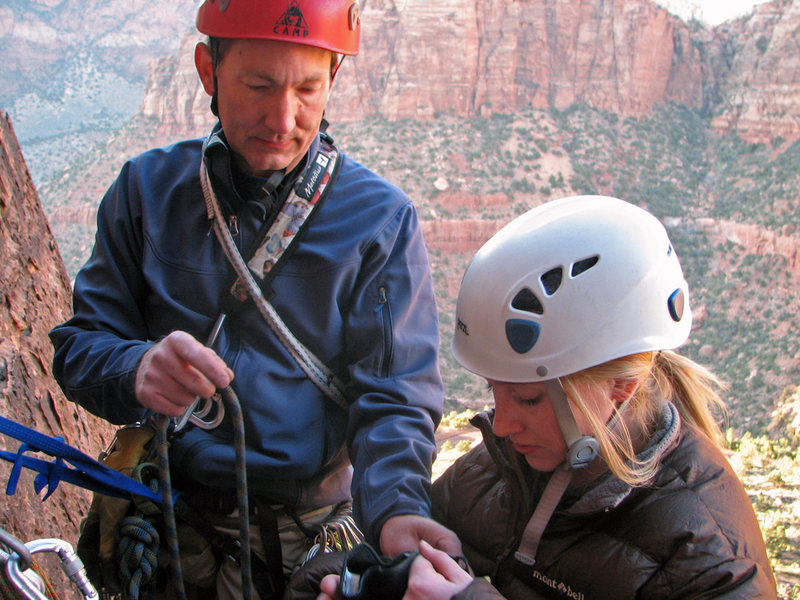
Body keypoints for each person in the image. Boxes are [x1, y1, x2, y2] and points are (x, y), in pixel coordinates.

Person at [49, 1, 460, 598]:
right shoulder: (147, 191)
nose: (283, 117)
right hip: (167, 519)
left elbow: (395, 396)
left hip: (300, 544)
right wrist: (135, 368)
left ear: (334, 81)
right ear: (208, 73)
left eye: (308, 89)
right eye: (259, 85)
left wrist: (396, 508)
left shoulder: (378, 221)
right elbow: (79, 347)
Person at [315, 195, 777, 599]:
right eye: (495, 391)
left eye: (529, 400)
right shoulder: (493, 470)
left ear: (622, 387)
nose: (500, 426)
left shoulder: (710, 559)